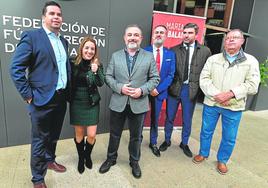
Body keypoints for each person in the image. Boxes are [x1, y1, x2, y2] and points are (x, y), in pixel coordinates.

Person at [9, 1, 70, 188]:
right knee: (39, 140)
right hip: (40, 99)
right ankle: (37, 178)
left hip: (60, 98)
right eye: (52, 13)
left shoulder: (63, 41)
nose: (56, 17)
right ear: (43, 17)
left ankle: (50, 160)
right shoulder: (32, 36)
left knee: (53, 135)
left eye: (59, 14)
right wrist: (28, 95)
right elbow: (16, 69)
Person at [193, 29, 260, 174]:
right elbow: (204, 79)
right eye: (228, 38)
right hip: (212, 103)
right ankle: (203, 153)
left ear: (242, 41)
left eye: (235, 37)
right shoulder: (213, 59)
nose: (230, 40)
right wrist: (218, 95)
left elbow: (253, 85)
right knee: (206, 131)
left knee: (229, 136)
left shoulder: (250, 61)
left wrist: (230, 94)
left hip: (233, 106)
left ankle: (222, 160)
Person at [99, 24, 160, 178]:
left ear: (141, 38)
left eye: (136, 35)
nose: (132, 37)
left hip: (139, 104)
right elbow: (108, 77)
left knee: (136, 136)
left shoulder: (148, 56)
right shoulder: (115, 55)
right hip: (118, 102)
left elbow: (155, 78)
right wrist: (120, 88)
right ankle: (111, 158)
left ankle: (134, 161)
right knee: (114, 134)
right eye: (130, 35)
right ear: (124, 38)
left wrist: (142, 90)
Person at [162, 23, 211, 158]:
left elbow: (207, 73)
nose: (186, 35)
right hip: (174, 88)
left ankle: (184, 143)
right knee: (170, 117)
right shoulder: (173, 50)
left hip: (191, 90)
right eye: (184, 32)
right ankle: (166, 140)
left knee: (187, 119)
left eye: (190, 33)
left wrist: (201, 90)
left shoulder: (205, 51)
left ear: (196, 34)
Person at [70, 36, 104, 174]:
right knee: (79, 134)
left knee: (91, 134)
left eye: (92, 49)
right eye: (87, 48)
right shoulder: (73, 62)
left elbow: (101, 82)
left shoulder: (97, 64)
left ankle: (87, 155)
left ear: (95, 51)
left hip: (92, 102)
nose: (89, 51)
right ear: (81, 48)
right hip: (77, 101)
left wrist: (95, 71)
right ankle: (80, 158)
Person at [144, 25, 175, 157]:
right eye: (156, 32)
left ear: (165, 36)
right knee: (140, 118)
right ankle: (137, 141)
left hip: (159, 92)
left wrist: (158, 89)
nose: (159, 34)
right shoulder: (144, 51)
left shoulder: (170, 54)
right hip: (144, 91)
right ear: (153, 35)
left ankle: (153, 142)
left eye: (162, 32)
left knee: (155, 119)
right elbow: (139, 72)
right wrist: (149, 88)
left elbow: (171, 75)